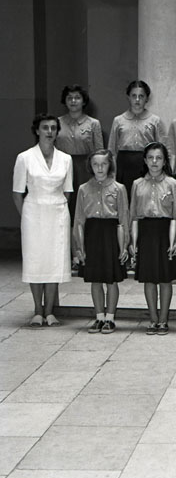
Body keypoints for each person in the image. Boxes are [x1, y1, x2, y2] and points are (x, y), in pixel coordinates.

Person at [12, 113, 73, 327]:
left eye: (53, 128)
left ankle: (50, 312)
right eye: (45, 127)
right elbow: (17, 193)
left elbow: (67, 191)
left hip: (57, 213)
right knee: (36, 260)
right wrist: (27, 217)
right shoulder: (25, 157)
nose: (49, 131)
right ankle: (38, 310)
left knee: (54, 260)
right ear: (37, 130)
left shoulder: (65, 159)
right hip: (33, 213)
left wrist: (57, 208)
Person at [129, 142, 176, 335]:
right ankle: (152, 319)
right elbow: (133, 214)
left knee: (165, 279)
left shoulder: (172, 184)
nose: (154, 162)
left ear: (165, 161)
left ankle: (163, 320)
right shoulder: (137, 184)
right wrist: (132, 241)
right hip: (145, 232)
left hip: (165, 232)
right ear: (145, 160)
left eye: (159, 158)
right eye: (151, 158)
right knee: (149, 279)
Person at [73, 149, 129, 334]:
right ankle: (99, 317)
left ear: (109, 165)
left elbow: (123, 219)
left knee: (111, 280)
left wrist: (124, 245)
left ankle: (110, 318)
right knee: (95, 280)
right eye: (95, 164)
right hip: (92, 234)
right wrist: (79, 247)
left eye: (103, 164)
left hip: (111, 234)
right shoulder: (83, 189)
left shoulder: (119, 188)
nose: (99, 168)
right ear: (90, 166)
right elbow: (79, 220)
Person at [108, 80, 165, 199]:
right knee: (126, 197)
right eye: (134, 96)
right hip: (124, 164)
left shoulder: (155, 120)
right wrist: (113, 172)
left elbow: (161, 148)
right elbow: (112, 149)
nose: (137, 100)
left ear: (147, 99)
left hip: (146, 163)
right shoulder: (118, 120)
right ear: (128, 97)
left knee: (145, 196)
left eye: (141, 96)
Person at [57, 84, 104, 221]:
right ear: (65, 101)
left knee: (85, 200)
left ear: (83, 101)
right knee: (65, 201)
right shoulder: (57, 122)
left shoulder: (93, 123)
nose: (73, 101)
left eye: (77, 98)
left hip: (85, 167)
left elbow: (99, 151)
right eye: (69, 98)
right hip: (62, 166)